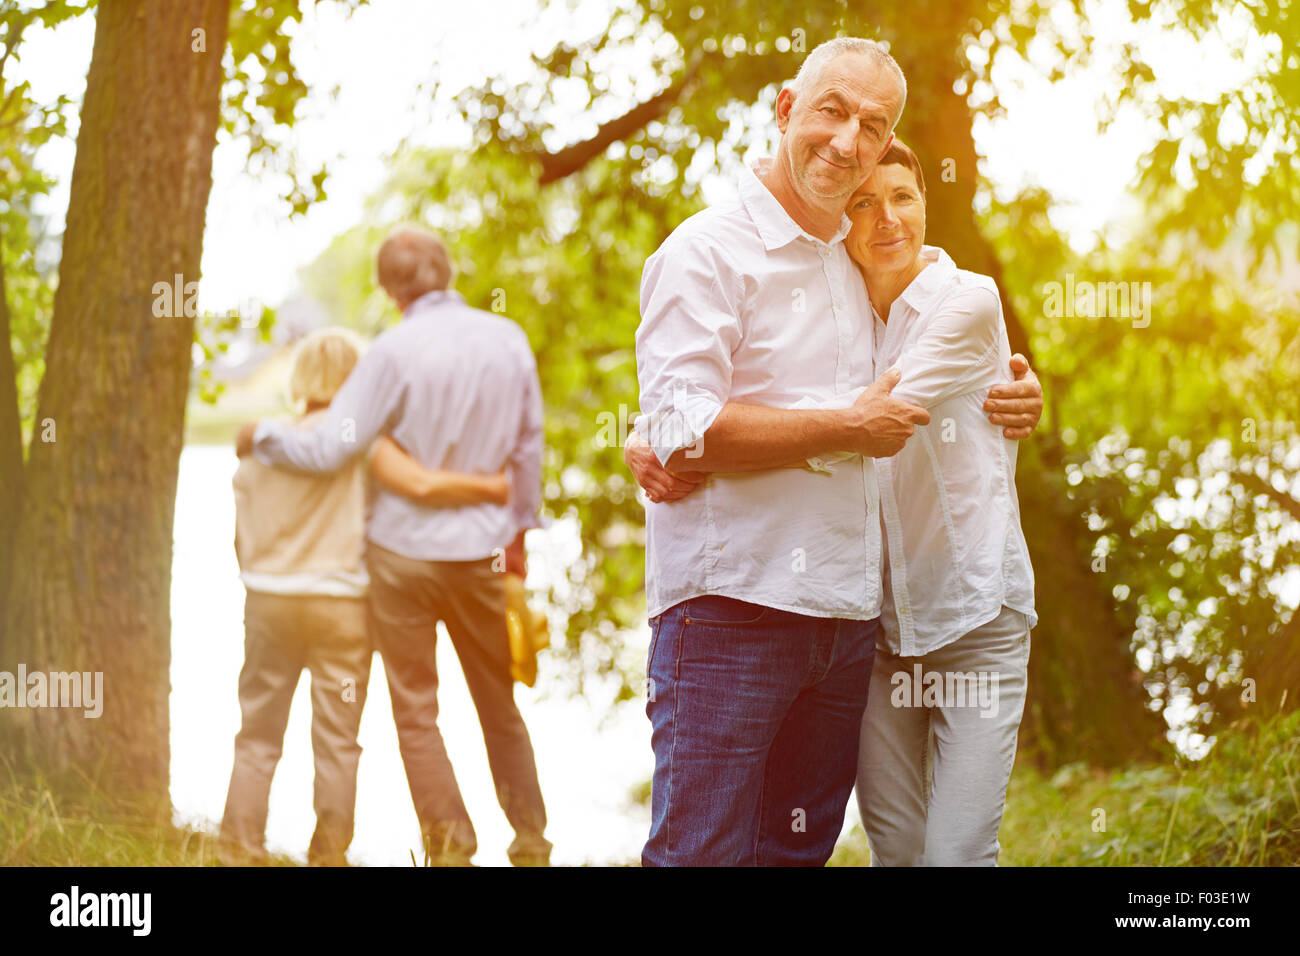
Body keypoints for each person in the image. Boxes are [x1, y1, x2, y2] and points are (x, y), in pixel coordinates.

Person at [625, 37, 1043, 866]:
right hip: (730, 612)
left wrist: (1016, 396)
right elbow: (679, 420)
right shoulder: (707, 251)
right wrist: (663, 433)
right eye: (831, 111)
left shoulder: (860, 265)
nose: (848, 141)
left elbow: (946, 335)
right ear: (784, 108)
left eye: (873, 125)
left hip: (851, 625)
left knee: (795, 854)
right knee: (700, 853)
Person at [235, 224, 552, 866]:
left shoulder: (391, 352)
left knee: (415, 711)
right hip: (483, 557)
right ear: (451, 272)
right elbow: (528, 454)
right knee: (500, 705)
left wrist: (260, 436)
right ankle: (530, 839)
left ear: (388, 288)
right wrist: (516, 548)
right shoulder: (510, 341)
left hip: (400, 560)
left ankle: (451, 845)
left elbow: (331, 447)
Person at [843, 141, 1035, 866]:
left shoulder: (968, 299)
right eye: (863, 201)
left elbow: (875, 417)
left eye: (902, 197)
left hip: (976, 613)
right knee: (900, 853)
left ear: (925, 204)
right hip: (881, 630)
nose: (887, 219)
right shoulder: (833, 315)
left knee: (955, 854)